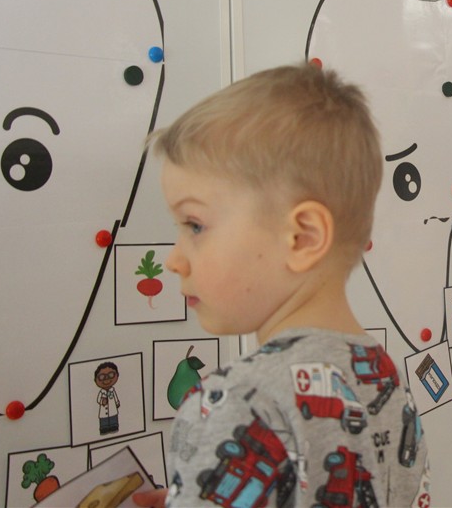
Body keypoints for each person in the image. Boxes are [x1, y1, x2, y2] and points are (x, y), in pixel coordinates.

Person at [134, 63, 431, 508]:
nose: (173, 260)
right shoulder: (385, 378)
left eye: (194, 225)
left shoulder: (235, 404)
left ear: (302, 238)